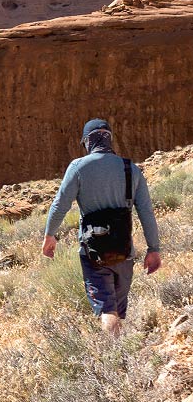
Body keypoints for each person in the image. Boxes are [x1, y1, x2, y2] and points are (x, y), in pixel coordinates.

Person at [42, 118, 162, 336]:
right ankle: (120, 358)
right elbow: (146, 212)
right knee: (118, 312)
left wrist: (50, 235)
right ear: (109, 138)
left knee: (107, 310)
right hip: (124, 252)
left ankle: (113, 361)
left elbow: (60, 204)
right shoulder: (131, 169)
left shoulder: (78, 168)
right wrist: (154, 248)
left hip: (93, 253)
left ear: (88, 141)